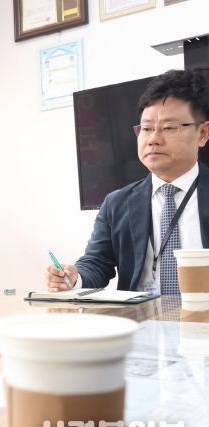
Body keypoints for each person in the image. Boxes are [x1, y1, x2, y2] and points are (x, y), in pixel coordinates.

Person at [47, 69, 209, 294]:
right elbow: (96, 263)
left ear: (203, 133)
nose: (153, 139)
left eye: (169, 128)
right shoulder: (117, 203)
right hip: (139, 316)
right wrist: (75, 278)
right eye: (147, 128)